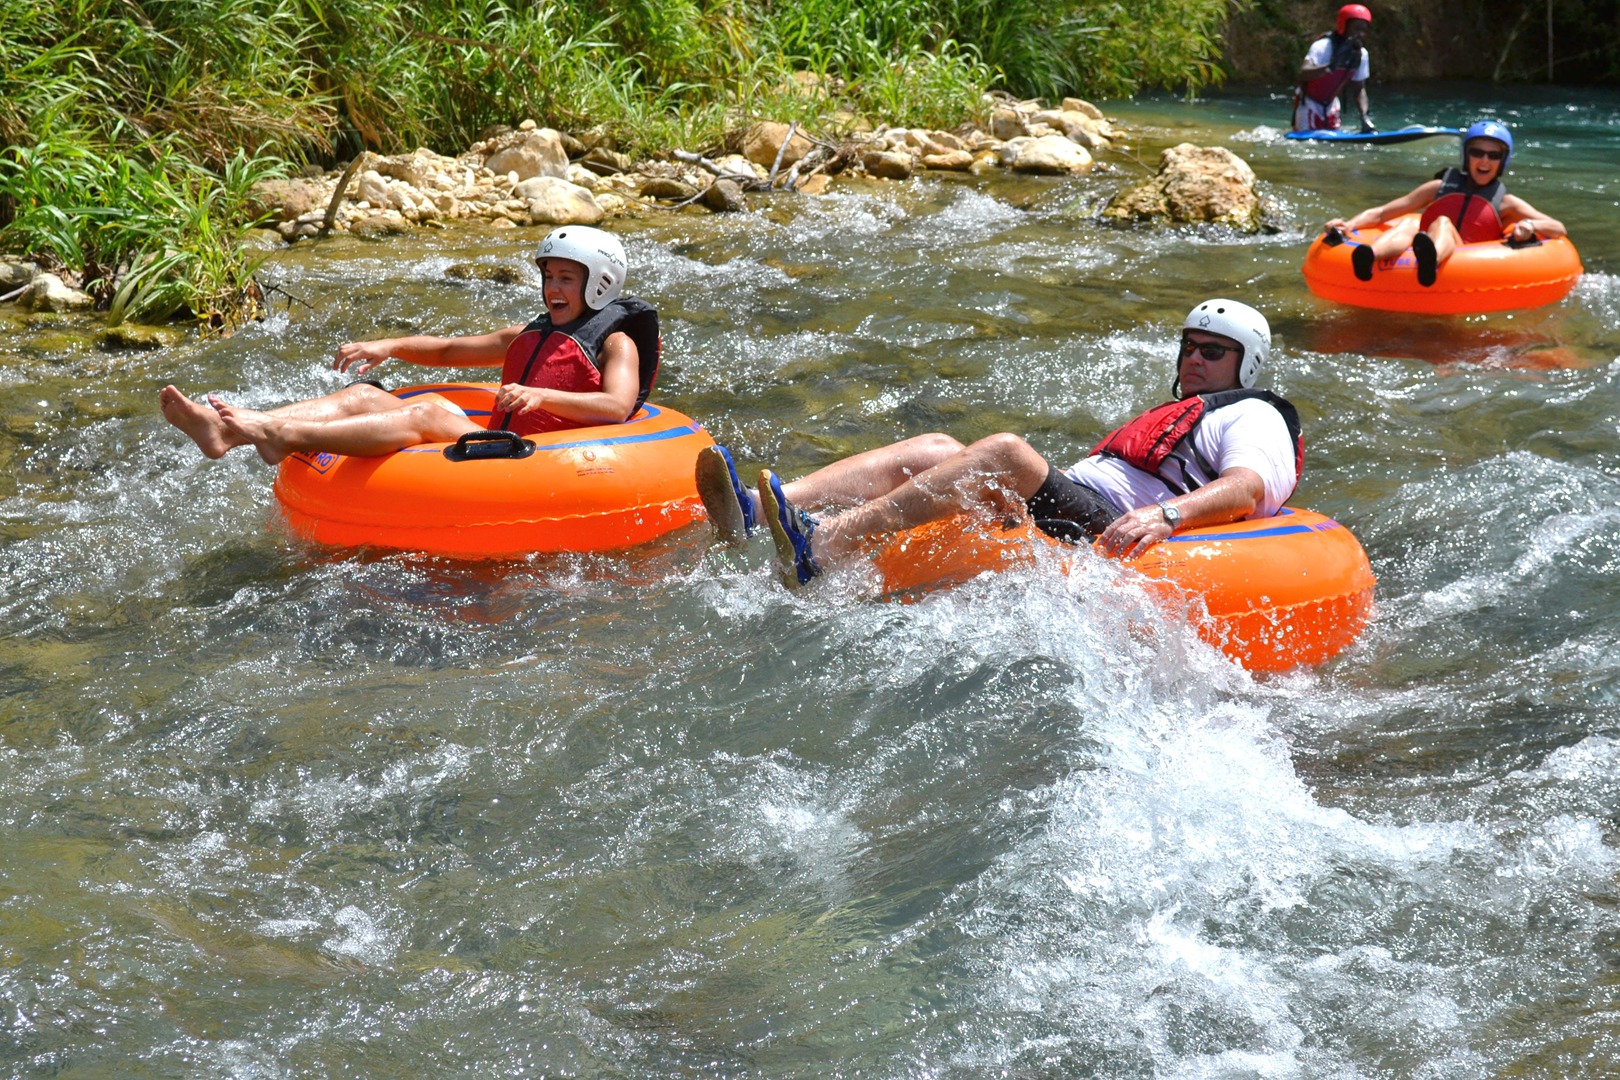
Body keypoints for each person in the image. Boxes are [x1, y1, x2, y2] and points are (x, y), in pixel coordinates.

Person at [696, 300, 1302, 589]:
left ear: (1246, 364)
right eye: (1189, 347)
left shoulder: (1254, 414)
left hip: (1113, 525)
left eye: (1213, 351)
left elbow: (1247, 487)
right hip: (1075, 506)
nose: (1195, 358)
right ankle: (754, 511)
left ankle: (822, 545)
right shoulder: (1181, 411)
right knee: (937, 446)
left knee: (1006, 452)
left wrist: (1167, 515)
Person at [160, 226, 660, 464]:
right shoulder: (531, 335)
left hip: (542, 455)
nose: (553, 288)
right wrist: (389, 345)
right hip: (498, 444)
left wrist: (542, 397)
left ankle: (277, 433)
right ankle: (230, 431)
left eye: (567, 279)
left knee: (426, 412)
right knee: (363, 396)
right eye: (549, 276)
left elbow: (616, 406)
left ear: (600, 283)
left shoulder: (616, 343)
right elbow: (446, 350)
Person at [1323, 119, 1567, 287]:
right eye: (1477, 153)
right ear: (1466, 156)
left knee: (1442, 223)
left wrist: (1531, 227)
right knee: (1408, 226)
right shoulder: (1438, 188)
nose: (1484, 160)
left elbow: (1558, 227)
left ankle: (1432, 261)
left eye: (1493, 155)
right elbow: (1381, 213)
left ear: (1502, 162)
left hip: (1468, 263)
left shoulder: (1507, 203)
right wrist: (1348, 225)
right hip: (1423, 248)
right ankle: (1369, 256)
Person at [1293, 4, 1374, 134]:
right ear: (1344, 26)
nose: (1360, 34)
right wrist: (1329, 67)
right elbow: (1303, 73)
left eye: (1364, 30)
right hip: (1308, 104)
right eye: (1356, 29)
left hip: (1331, 105)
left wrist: (1364, 115)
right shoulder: (1323, 46)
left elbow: (1359, 88)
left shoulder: (1361, 54)